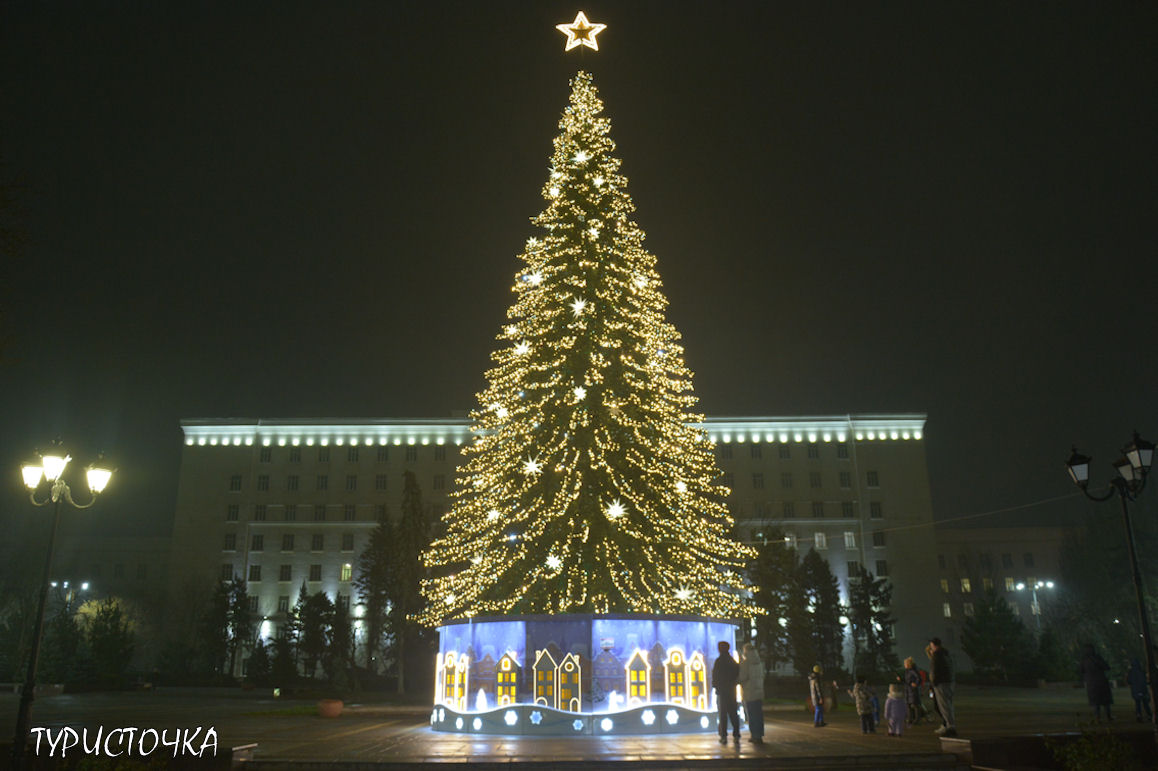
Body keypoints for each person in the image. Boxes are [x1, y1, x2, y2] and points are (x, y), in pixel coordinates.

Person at [712, 640, 741, 745]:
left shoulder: (719, 661)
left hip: (721, 691)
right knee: (733, 713)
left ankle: (723, 736)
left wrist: (716, 686)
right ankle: (736, 735)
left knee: (722, 715)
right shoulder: (732, 661)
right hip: (731, 691)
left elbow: (715, 676)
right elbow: (737, 674)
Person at [928, 637, 957, 737]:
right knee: (948, 705)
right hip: (948, 682)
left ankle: (950, 726)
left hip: (940, 683)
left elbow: (935, 671)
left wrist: (933, 683)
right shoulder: (946, 654)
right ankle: (948, 725)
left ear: (934, 645)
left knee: (944, 706)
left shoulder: (937, 656)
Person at [737, 642, 765, 744]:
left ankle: (754, 736)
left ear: (746, 651)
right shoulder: (758, 662)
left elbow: (742, 677)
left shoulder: (746, 663)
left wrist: (735, 681)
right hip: (758, 692)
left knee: (752, 716)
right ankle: (760, 735)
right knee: (759, 715)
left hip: (749, 693)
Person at [1079, 643, 1113, 722]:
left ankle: (1098, 717)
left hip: (1091, 683)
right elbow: (1106, 667)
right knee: (1105, 701)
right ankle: (1108, 716)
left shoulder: (1084, 660)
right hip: (1101, 681)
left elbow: (1081, 670)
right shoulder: (1097, 658)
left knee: (1095, 702)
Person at [902, 656, 927, 725]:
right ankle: (910, 719)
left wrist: (916, 684)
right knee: (908, 705)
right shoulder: (907, 671)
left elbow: (919, 678)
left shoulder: (913, 671)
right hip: (908, 690)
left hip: (913, 691)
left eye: (905, 664)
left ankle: (917, 719)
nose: (904, 665)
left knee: (915, 705)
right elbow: (907, 681)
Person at [1126, 658, 1152, 723]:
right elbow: (1145, 681)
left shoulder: (1131, 672)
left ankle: (1139, 715)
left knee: (1138, 704)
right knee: (1145, 703)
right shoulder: (1141, 671)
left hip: (1135, 690)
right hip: (1143, 689)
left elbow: (1129, 681)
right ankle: (1149, 715)